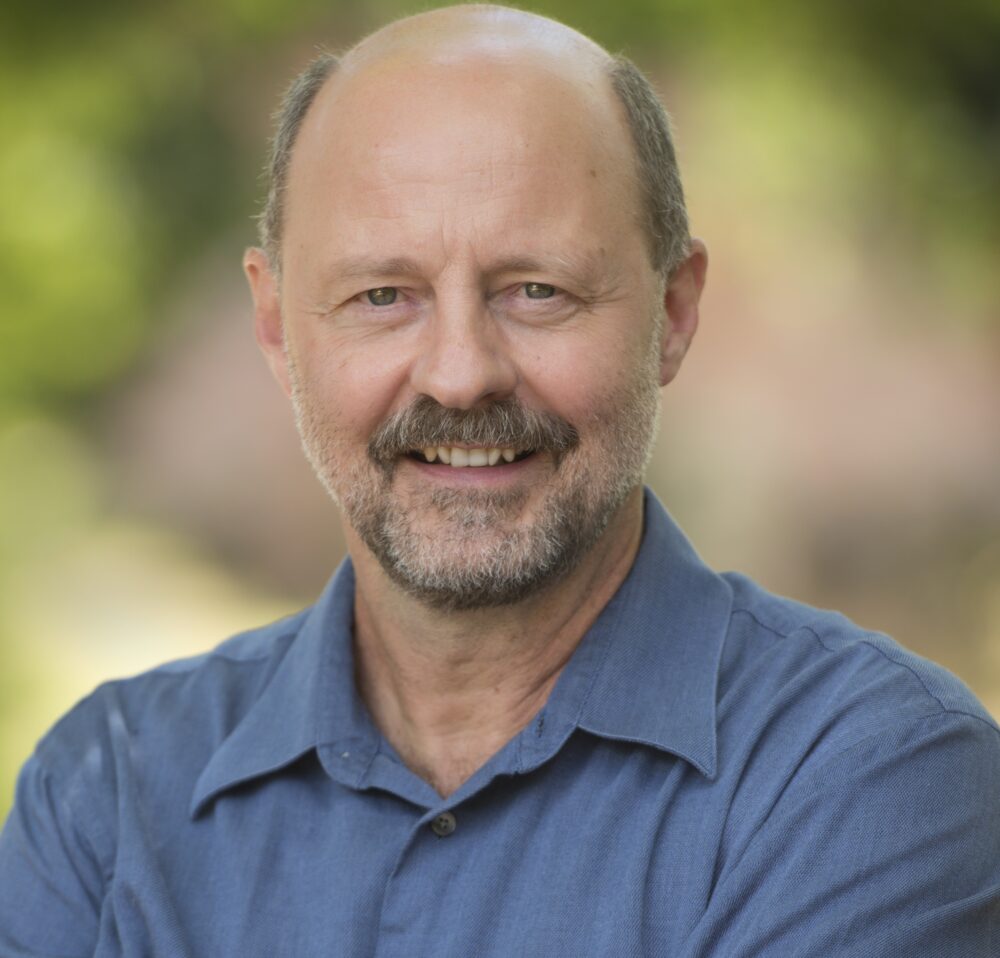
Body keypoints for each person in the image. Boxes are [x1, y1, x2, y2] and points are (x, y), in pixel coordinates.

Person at [1, 4, 998, 955]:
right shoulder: (105, 795)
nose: (459, 371)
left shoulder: (876, 778)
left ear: (674, 312)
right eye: (381, 295)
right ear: (275, 328)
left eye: (537, 290)